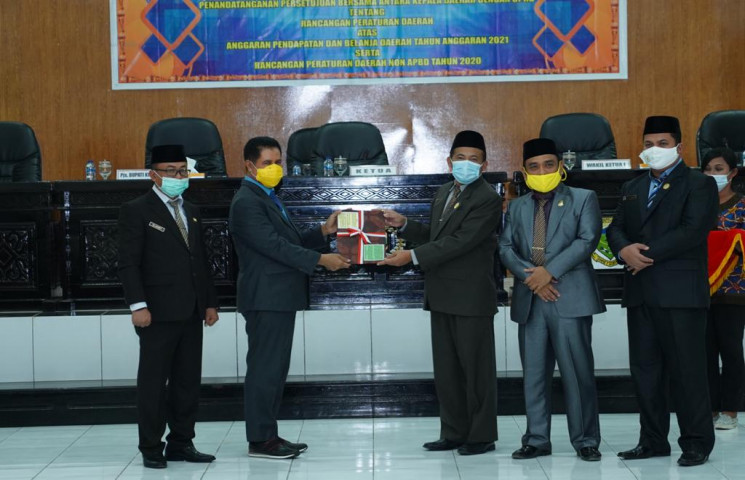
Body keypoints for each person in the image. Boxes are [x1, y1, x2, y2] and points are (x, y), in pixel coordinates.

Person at [378, 130, 502, 456]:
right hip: (442, 292)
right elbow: (437, 236)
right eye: (460, 158)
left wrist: (412, 256)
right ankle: (454, 432)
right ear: (449, 162)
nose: (466, 164)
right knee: (447, 370)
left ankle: (481, 435)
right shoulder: (445, 191)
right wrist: (405, 224)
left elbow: (461, 242)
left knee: (476, 371)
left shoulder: (487, 198)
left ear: (484, 165)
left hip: (471, 296)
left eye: (474, 159)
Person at [229, 136, 351, 459]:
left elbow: (289, 241)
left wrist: (323, 232)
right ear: (250, 166)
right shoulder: (246, 202)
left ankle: (268, 434)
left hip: (278, 296)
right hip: (266, 297)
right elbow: (275, 247)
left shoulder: (266, 196)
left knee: (274, 370)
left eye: (278, 162)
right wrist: (321, 260)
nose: (275, 168)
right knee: (265, 369)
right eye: (267, 163)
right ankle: (260, 439)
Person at [606, 115, 718, 467]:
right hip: (641, 292)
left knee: (688, 371)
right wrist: (623, 250)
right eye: (649, 144)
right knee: (646, 371)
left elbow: (692, 231)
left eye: (663, 144)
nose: (655, 150)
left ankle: (696, 442)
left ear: (679, 147)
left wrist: (642, 255)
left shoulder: (699, 184)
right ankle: (652, 440)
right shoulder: (633, 185)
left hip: (680, 293)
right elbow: (615, 228)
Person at [499, 138, 605, 462]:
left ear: (560, 166)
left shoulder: (583, 198)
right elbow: (505, 247)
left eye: (548, 165)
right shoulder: (516, 206)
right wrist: (533, 278)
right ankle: (536, 439)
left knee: (577, 372)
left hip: (569, 296)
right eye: (534, 167)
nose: (542, 171)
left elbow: (587, 240)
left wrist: (549, 272)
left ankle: (586, 440)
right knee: (533, 374)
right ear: (525, 171)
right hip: (532, 298)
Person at [117, 144, 219, 469]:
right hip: (156, 312)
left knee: (187, 381)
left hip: (191, 309)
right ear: (153, 175)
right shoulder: (137, 210)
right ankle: (151, 446)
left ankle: (181, 442)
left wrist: (210, 303)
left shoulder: (192, 210)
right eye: (171, 171)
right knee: (153, 382)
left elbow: (200, 261)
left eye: (183, 170)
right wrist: (137, 305)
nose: (178, 176)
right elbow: (128, 263)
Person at [701, 147, 745, 430]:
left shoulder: (742, 205)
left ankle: (730, 410)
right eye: (708, 170)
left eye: (719, 169)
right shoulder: (696, 204)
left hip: (734, 290)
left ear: (733, 172)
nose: (713, 174)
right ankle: (711, 408)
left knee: (730, 350)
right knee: (704, 352)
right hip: (699, 290)